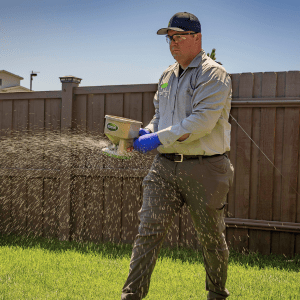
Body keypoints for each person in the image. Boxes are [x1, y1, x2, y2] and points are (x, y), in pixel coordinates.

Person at [122, 12, 234, 300]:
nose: (172, 43)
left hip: (206, 168)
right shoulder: (166, 75)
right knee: (148, 231)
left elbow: (200, 123)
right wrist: (143, 133)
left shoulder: (213, 74)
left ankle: (217, 294)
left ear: (197, 38)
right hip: (164, 168)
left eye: (178, 37)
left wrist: (156, 139)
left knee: (211, 237)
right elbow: (161, 117)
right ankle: (131, 295)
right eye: (169, 38)